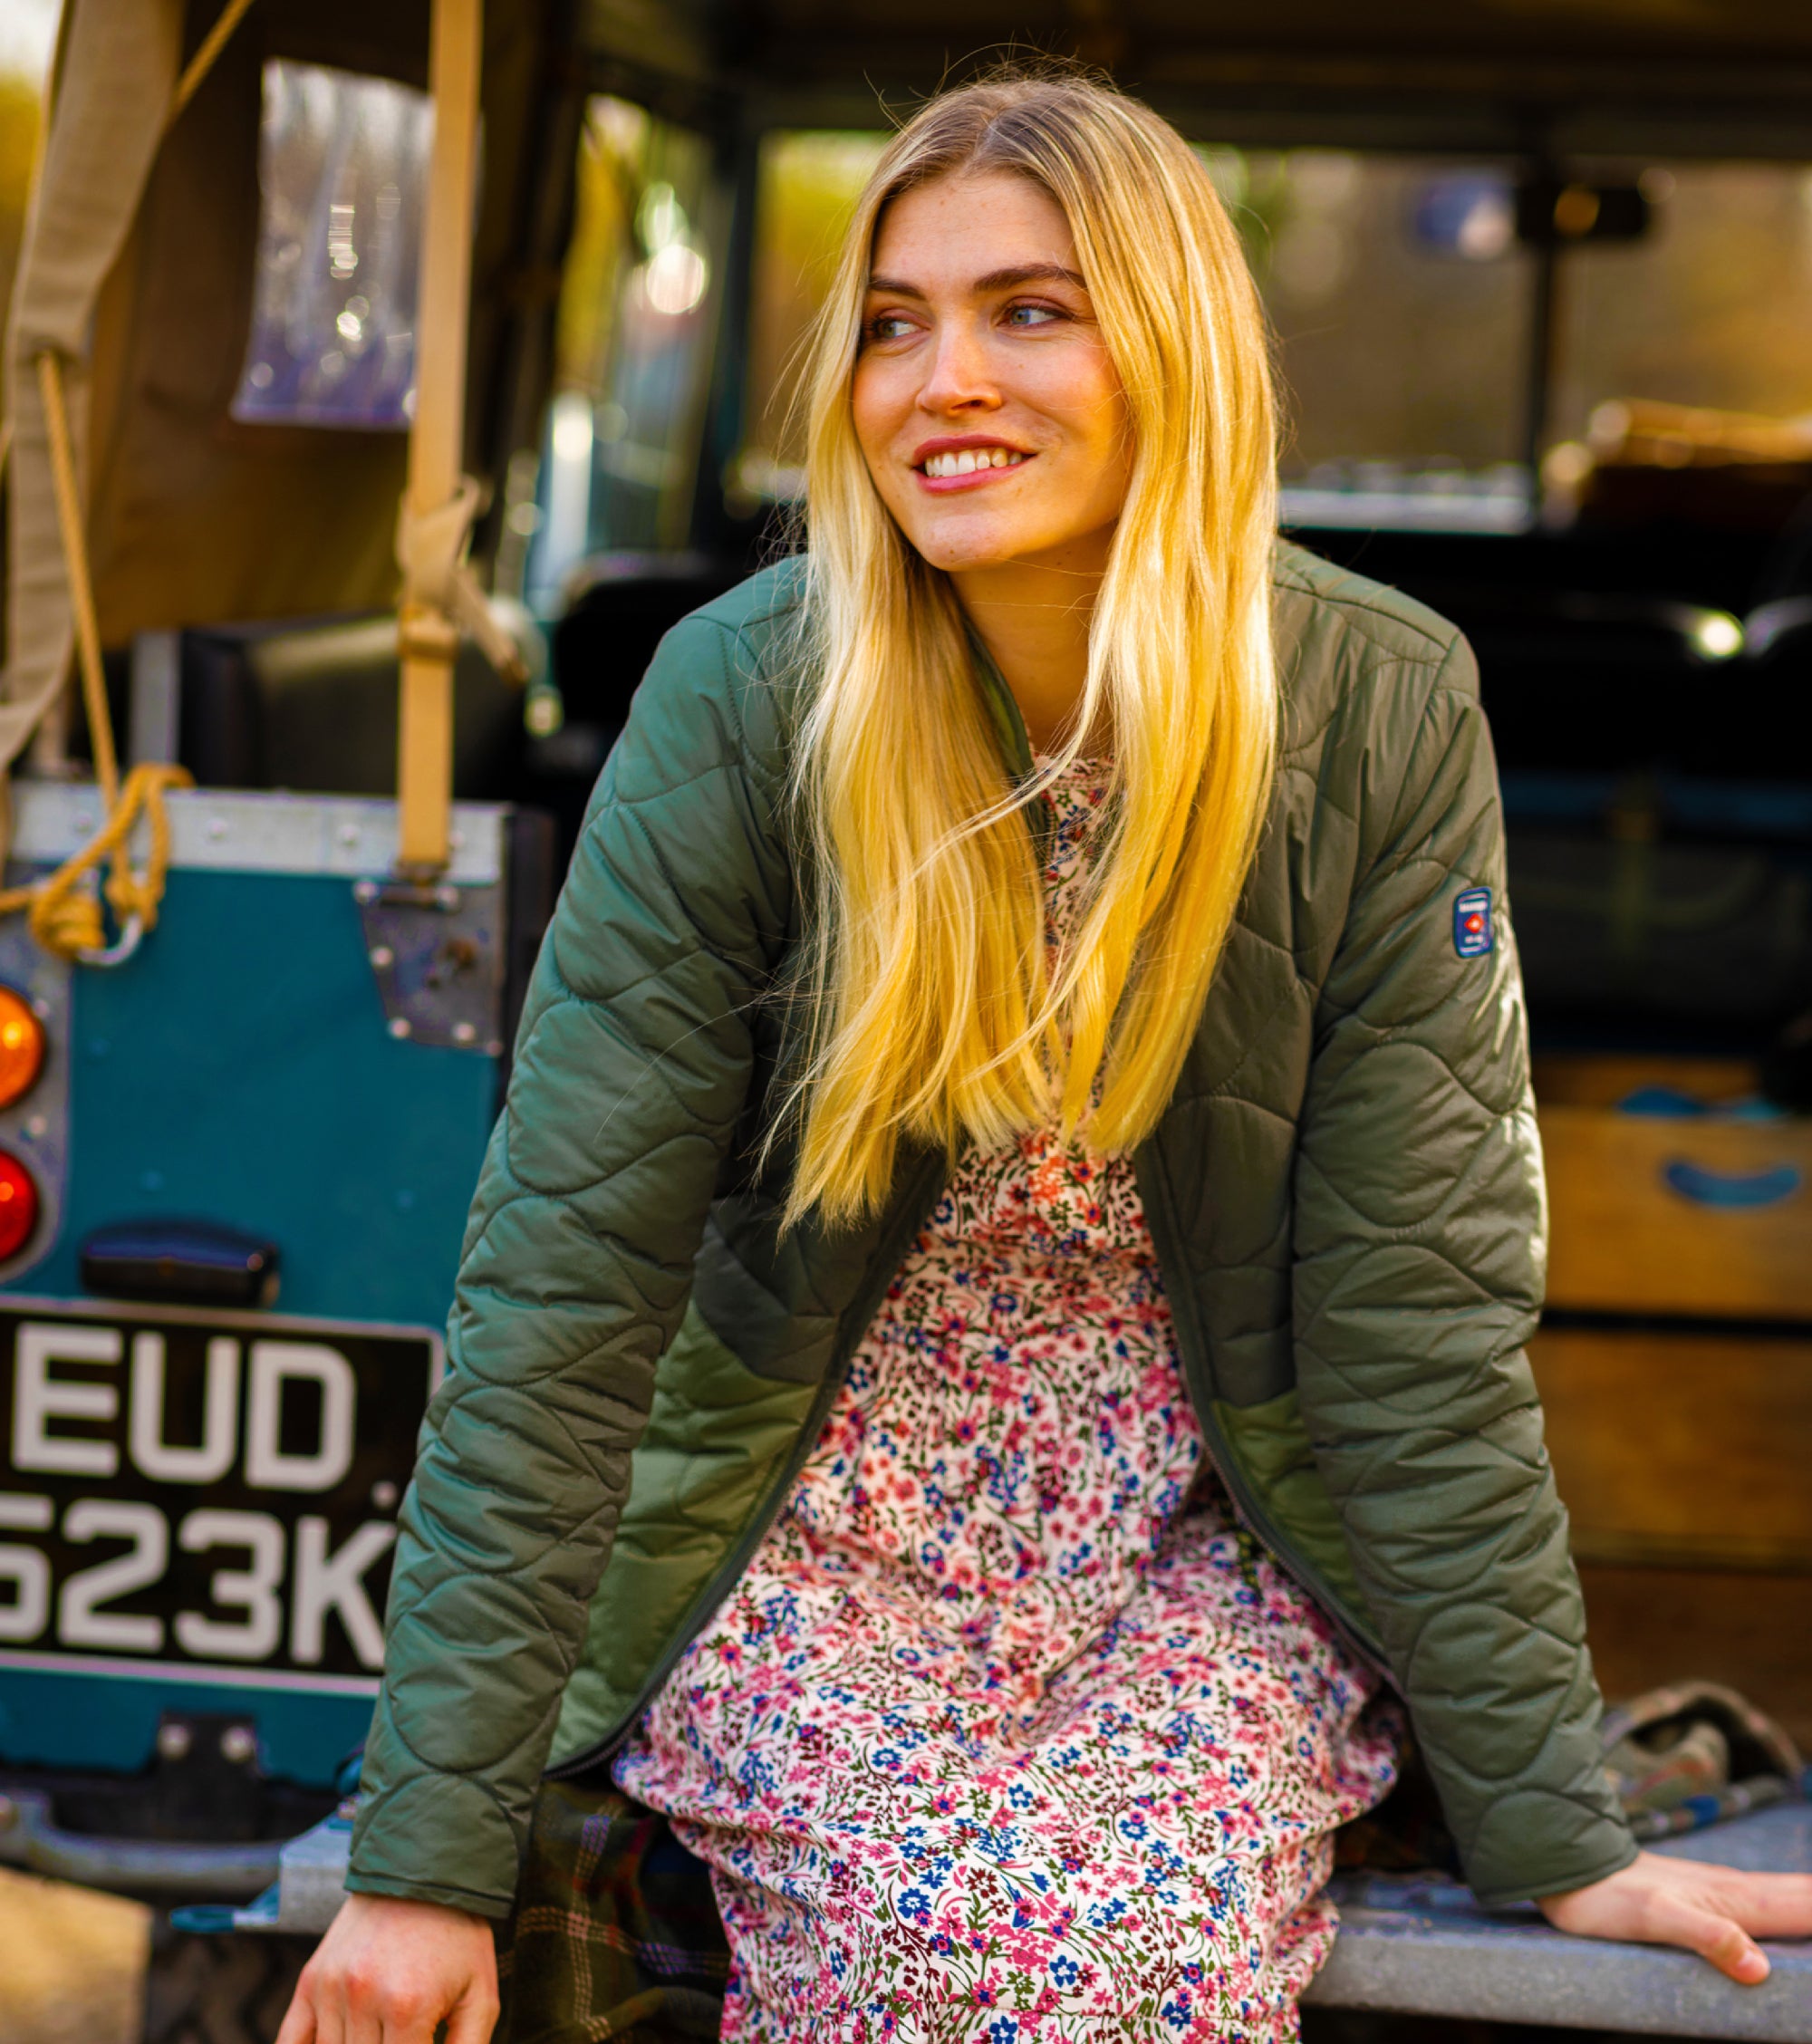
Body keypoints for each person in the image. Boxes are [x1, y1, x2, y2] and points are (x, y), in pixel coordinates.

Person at [279, 66, 1812, 2044]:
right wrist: (421, 1860)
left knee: (1152, 1934)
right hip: (798, 1526)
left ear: (1172, 344)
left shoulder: (1375, 701)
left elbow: (1412, 1322)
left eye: (1029, 311)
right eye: (892, 324)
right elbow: (565, 1294)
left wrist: (1553, 1823)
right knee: (946, 1934)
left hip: (1198, 1542)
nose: (945, 383)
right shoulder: (744, 696)